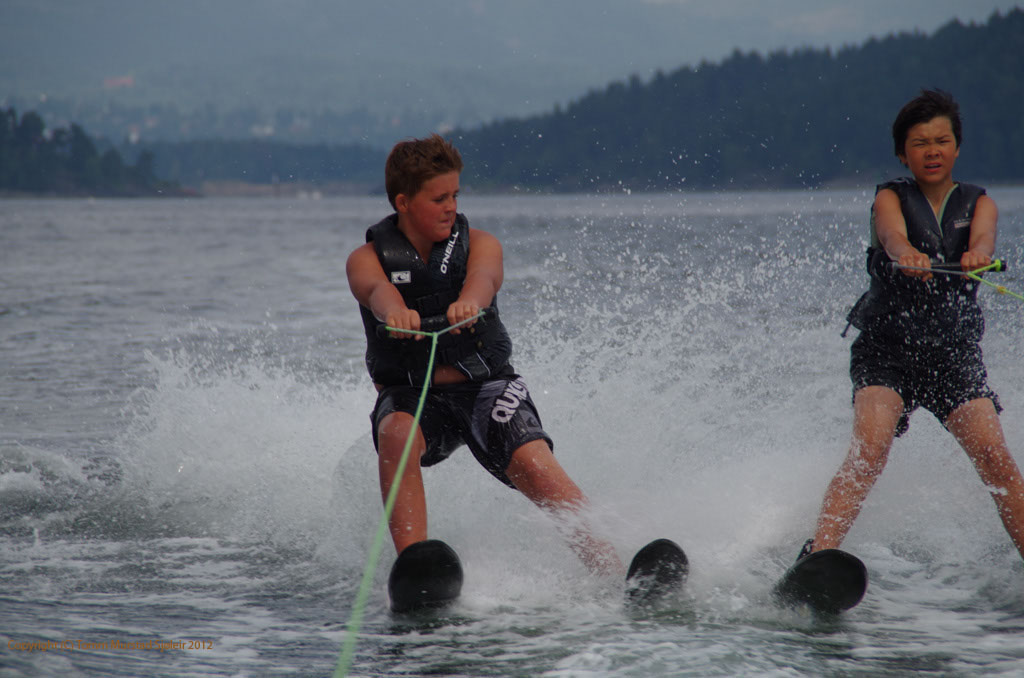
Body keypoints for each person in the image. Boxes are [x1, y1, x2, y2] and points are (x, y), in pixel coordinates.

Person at [346, 133, 622, 576]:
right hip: (415, 396)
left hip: (485, 388)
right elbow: (375, 290)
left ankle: (611, 567)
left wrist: (470, 301)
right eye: (439, 198)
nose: (450, 207)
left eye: (455, 195)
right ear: (403, 202)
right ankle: (415, 568)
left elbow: (484, 277)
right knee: (396, 434)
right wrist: (394, 310)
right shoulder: (366, 258)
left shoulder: (481, 244)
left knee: (532, 459)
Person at [802, 89, 1024, 562]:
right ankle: (817, 556)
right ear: (903, 154)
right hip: (887, 351)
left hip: (953, 353)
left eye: (942, 141)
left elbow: (984, 237)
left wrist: (978, 255)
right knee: (871, 449)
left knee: (995, 457)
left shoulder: (980, 203)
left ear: (957, 148)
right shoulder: (890, 197)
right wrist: (906, 254)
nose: (932, 151)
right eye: (920, 143)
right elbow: (890, 235)